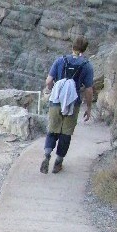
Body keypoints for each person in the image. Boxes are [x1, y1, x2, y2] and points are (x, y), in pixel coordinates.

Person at [40, 36, 94, 174]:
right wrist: (88, 108)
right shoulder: (86, 65)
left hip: (56, 101)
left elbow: (49, 81)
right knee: (66, 133)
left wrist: (51, 90)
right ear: (85, 49)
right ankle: (58, 162)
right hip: (73, 103)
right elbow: (88, 89)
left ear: (72, 47)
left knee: (52, 129)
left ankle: (47, 155)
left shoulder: (60, 60)